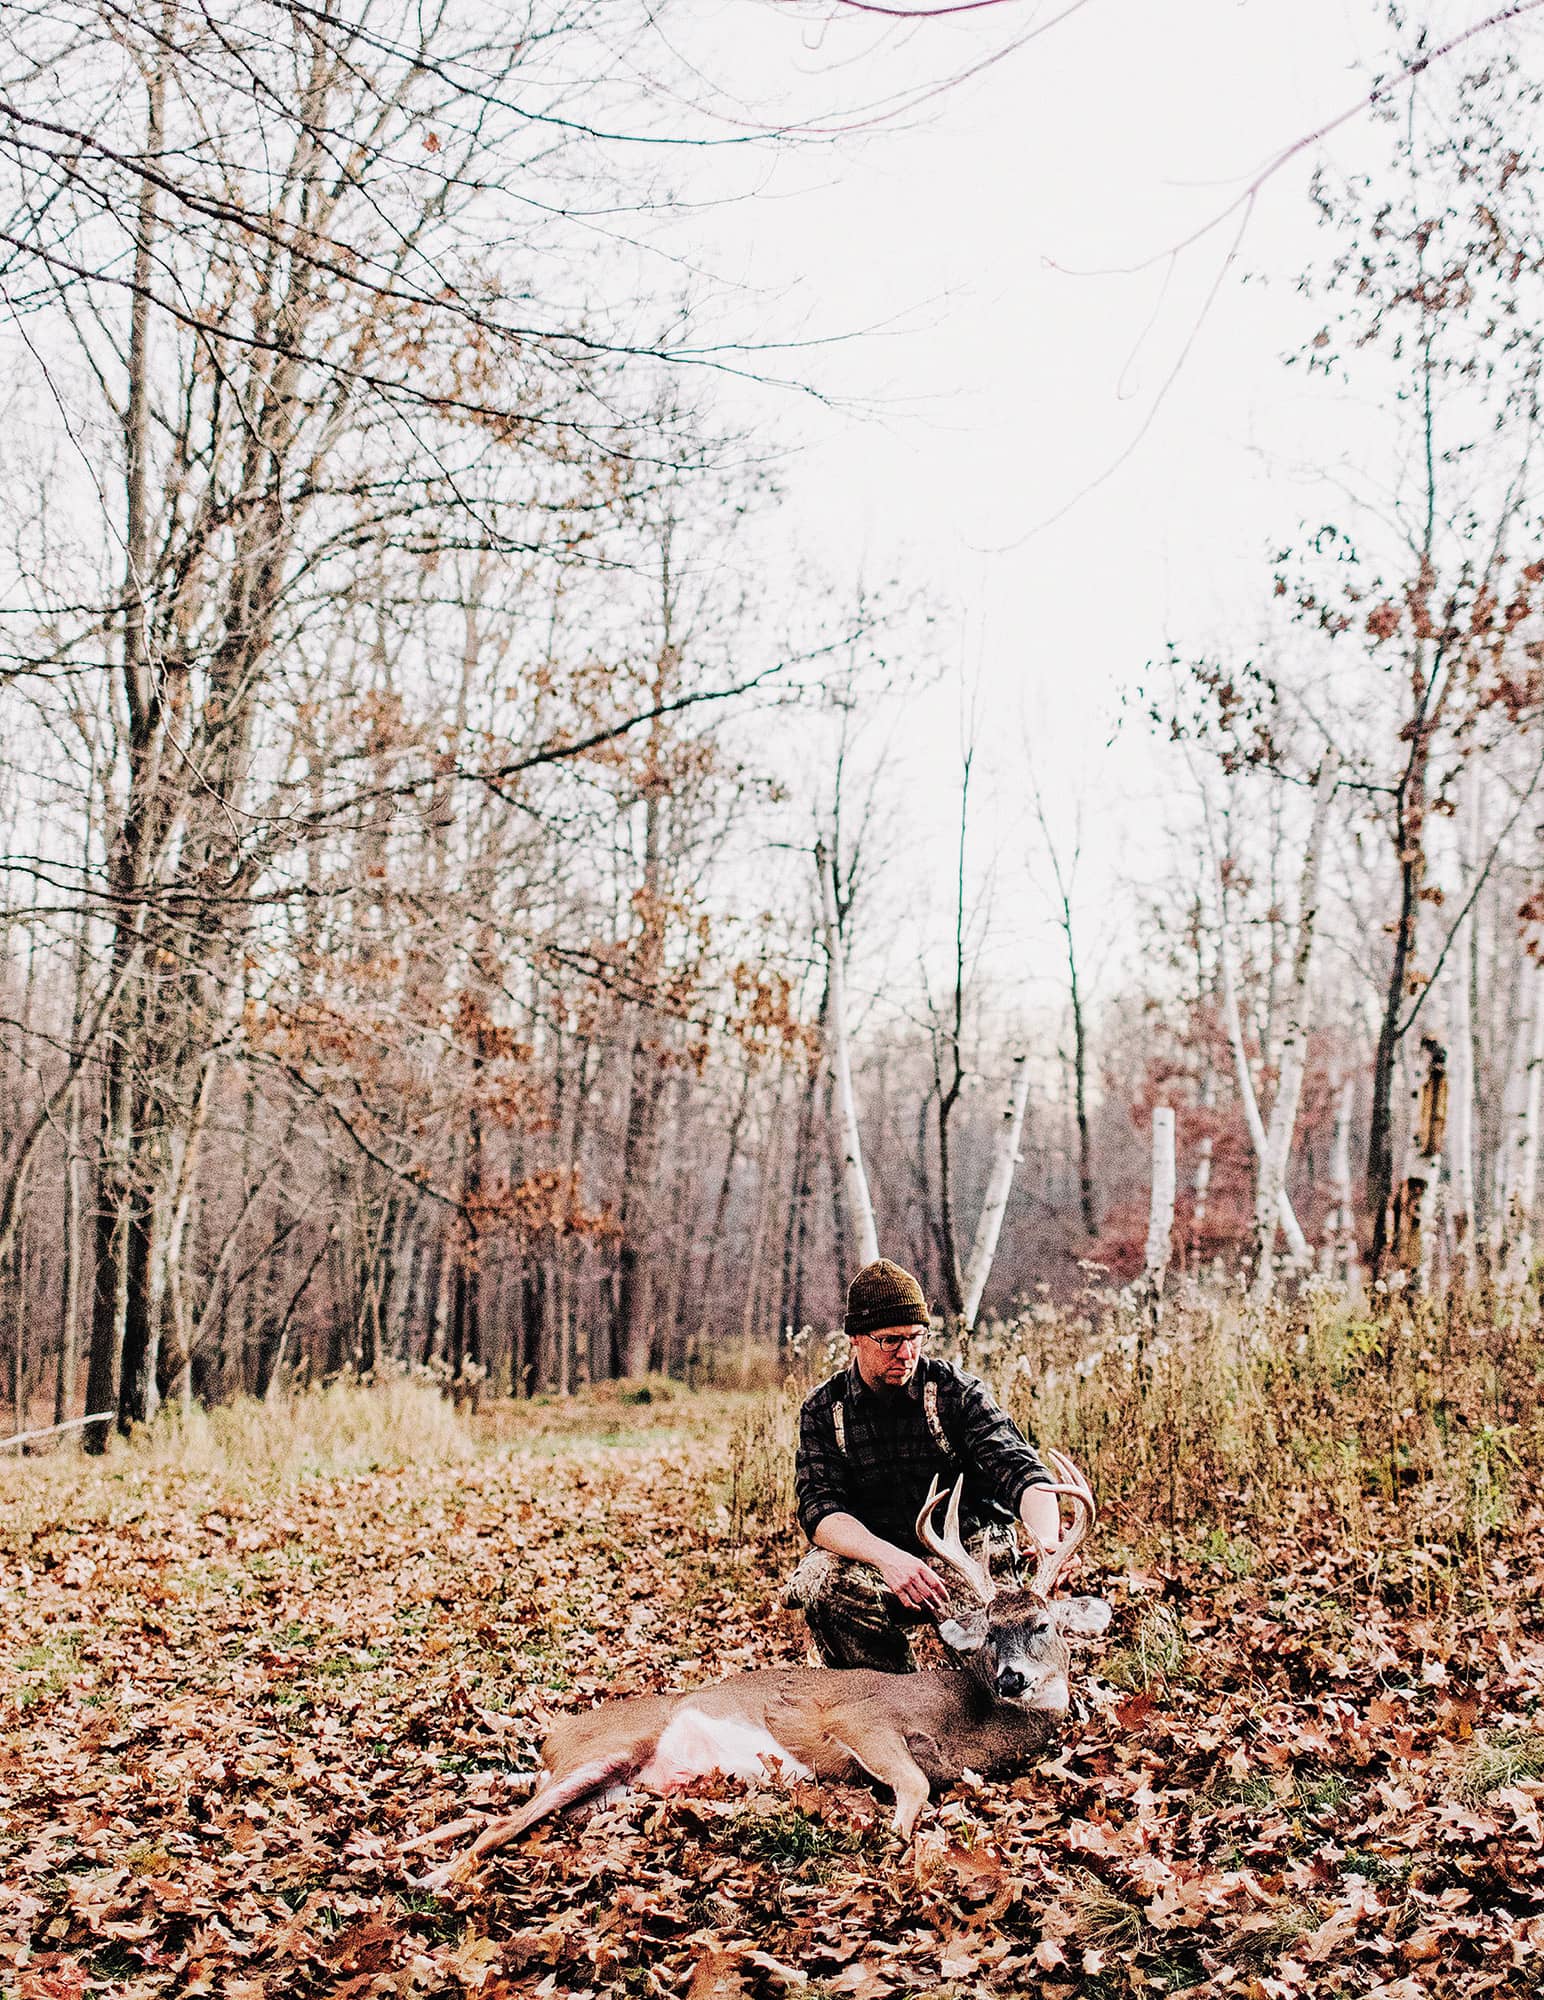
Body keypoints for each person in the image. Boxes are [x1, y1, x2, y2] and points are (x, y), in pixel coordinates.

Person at [785, 1256, 1062, 1672]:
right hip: (878, 1559)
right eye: (891, 1340)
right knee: (822, 1584)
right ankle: (890, 1697)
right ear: (855, 1339)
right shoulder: (825, 1409)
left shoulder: (956, 1394)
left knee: (1004, 1660)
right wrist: (887, 1558)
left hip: (968, 1557)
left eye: (917, 1337)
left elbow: (1020, 1471)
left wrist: (1048, 1539)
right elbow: (820, 1511)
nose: (907, 1352)